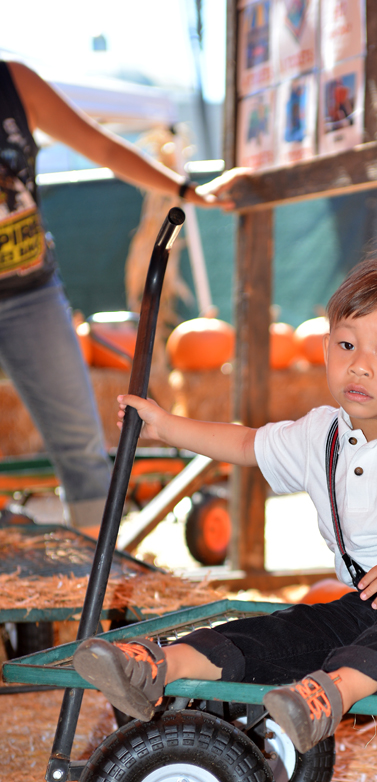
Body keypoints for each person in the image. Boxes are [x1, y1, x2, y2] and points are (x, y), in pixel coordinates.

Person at [73, 257, 377, 752]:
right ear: (326, 348)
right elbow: (245, 445)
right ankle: (157, 668)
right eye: (346, 345)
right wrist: (166, 425)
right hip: (370, 605)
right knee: (290, 628)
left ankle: (331, 695)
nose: (359, 364)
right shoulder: (321, 433)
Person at [0, 60, 243, 533]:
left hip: (31, 294)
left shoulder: (13, 82)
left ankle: (93, 590)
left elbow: (99, 145)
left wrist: (187, 191)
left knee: (82, 450)